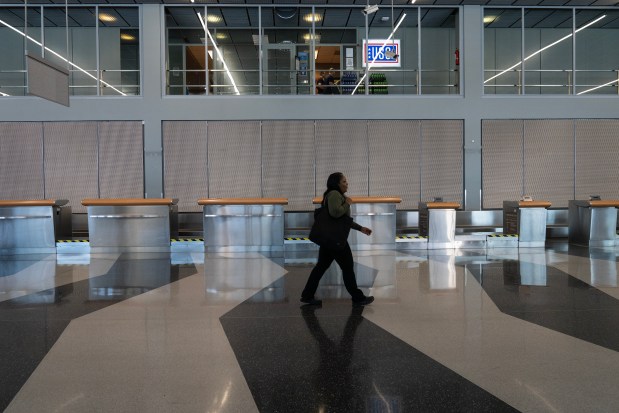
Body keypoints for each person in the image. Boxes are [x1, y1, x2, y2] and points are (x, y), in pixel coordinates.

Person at [301, 172, 375, 307]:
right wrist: (347, 203)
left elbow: (342, 221)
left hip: (329, 239)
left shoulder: (336, 195)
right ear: (337, 184)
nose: (347, 184)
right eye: (344, 182)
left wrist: (360, 228)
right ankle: (358, 298)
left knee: (320, 268)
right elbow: (336, 213)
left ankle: (307, 295)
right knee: (347, 268)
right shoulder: (335, 194)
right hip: (336, 241)